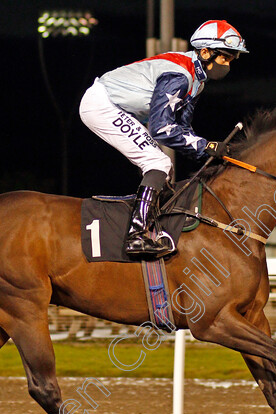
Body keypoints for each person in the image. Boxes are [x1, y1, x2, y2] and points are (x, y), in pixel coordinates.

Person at [79, 20, 248, 259]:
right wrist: (206, 146)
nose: (228, 65)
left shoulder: (196, 80)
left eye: (232, 59)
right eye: (225, 58)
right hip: (102, 105)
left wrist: (209, 150)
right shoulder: (180, 76)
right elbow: (161, 128)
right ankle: (136, 236)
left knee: (160, 167)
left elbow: (182, 128)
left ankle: (148, 221)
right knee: (158, 163)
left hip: (117, 107)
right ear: (205, 52)